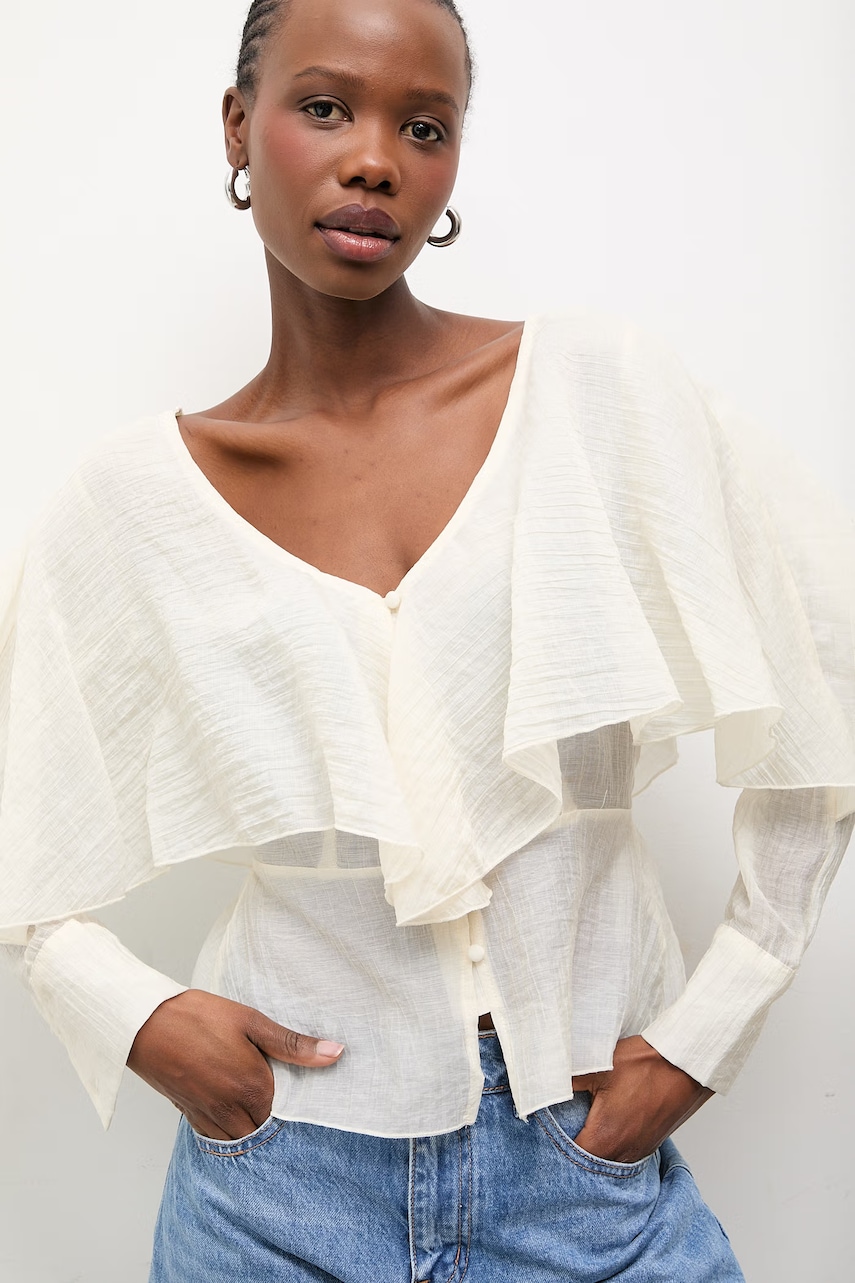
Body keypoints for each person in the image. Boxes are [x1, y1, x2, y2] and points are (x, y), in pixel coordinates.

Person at [2, 0, 854, 1279]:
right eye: (325, 107)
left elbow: (823, 664)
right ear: (239, 127)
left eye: (425, 126)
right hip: (271, 1184)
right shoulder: (134, 503)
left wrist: (707, 1030)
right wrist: (137, 1015)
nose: (375, 160)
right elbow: (24, 828)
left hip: (584, 1175)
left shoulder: (595, 395)